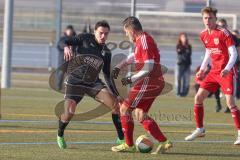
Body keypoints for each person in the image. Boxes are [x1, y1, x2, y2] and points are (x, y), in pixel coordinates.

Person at [57, 20, 124, 149]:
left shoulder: (106, 52)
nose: (103, 36)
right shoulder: (84, 39)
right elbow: (62, 41)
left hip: (93, 83)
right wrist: (66, 47)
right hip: (75, 81)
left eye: (106, 34)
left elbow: (107, 75)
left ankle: (121, 139)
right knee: (69, 112)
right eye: (101, 33)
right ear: (94, 32)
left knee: (116, 105)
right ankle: (60, 134)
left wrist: (117, 94)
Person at [111, 16, 173, 153]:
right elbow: (134, 56)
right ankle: (164, 141)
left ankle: (128, 144)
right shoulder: (141, 41)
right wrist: (120, 66)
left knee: (124, 109)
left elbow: (149, 67)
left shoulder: (144, 40)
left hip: (149, 81)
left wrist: (130, 79)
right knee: (139, 113)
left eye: (126, 32)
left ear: (131, 30)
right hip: (153, 82)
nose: (126, 35)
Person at [185, 7, 240, 145]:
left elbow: (234, 54)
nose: (208, 20)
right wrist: (203, 69)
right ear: (202, 19)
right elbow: (209, 52)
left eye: (210, 18)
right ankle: (200, 129)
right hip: (214, 72)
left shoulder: (224, 33)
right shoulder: (203, 34)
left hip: (226, 72)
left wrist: (227, 69)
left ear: (215, 19)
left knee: (230, 102)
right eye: (205, 18)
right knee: (198, 97)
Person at [217, 19, 240, 113]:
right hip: (219, 65)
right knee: (218, 88)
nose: (222, 27)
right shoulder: (215, 36)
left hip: (231, 66)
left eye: (223, 25)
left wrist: (237, 63)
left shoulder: (233, 37)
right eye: (220, 26)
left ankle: (229, 106)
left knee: (230, 89)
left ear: (226, 26)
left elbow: (237, 51)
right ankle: (218, 104)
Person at [56, 25, 76, 91]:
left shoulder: (75, 39)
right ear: (65, 31)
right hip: (63, 60)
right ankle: (58, 87)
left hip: (73, 61)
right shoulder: (63, 39)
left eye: (70, 30)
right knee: (60, 74)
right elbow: (60, 44)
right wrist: (65, 47)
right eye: (68, 30)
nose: (69, 32)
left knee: (74, 76)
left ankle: (72, 89)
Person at [175, 32, 192, 97]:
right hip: (179, 65)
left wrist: (185, 49)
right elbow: (180, 53)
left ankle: (184, 93)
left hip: (187, 65)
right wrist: (184, 51)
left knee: (186, 80)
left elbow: (188, 54)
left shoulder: (189, 46)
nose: (184, 38)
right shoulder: (178, 45)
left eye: (185, 37)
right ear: (180, 38)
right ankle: (178, 93)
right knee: (178, 79)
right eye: (182, 37)